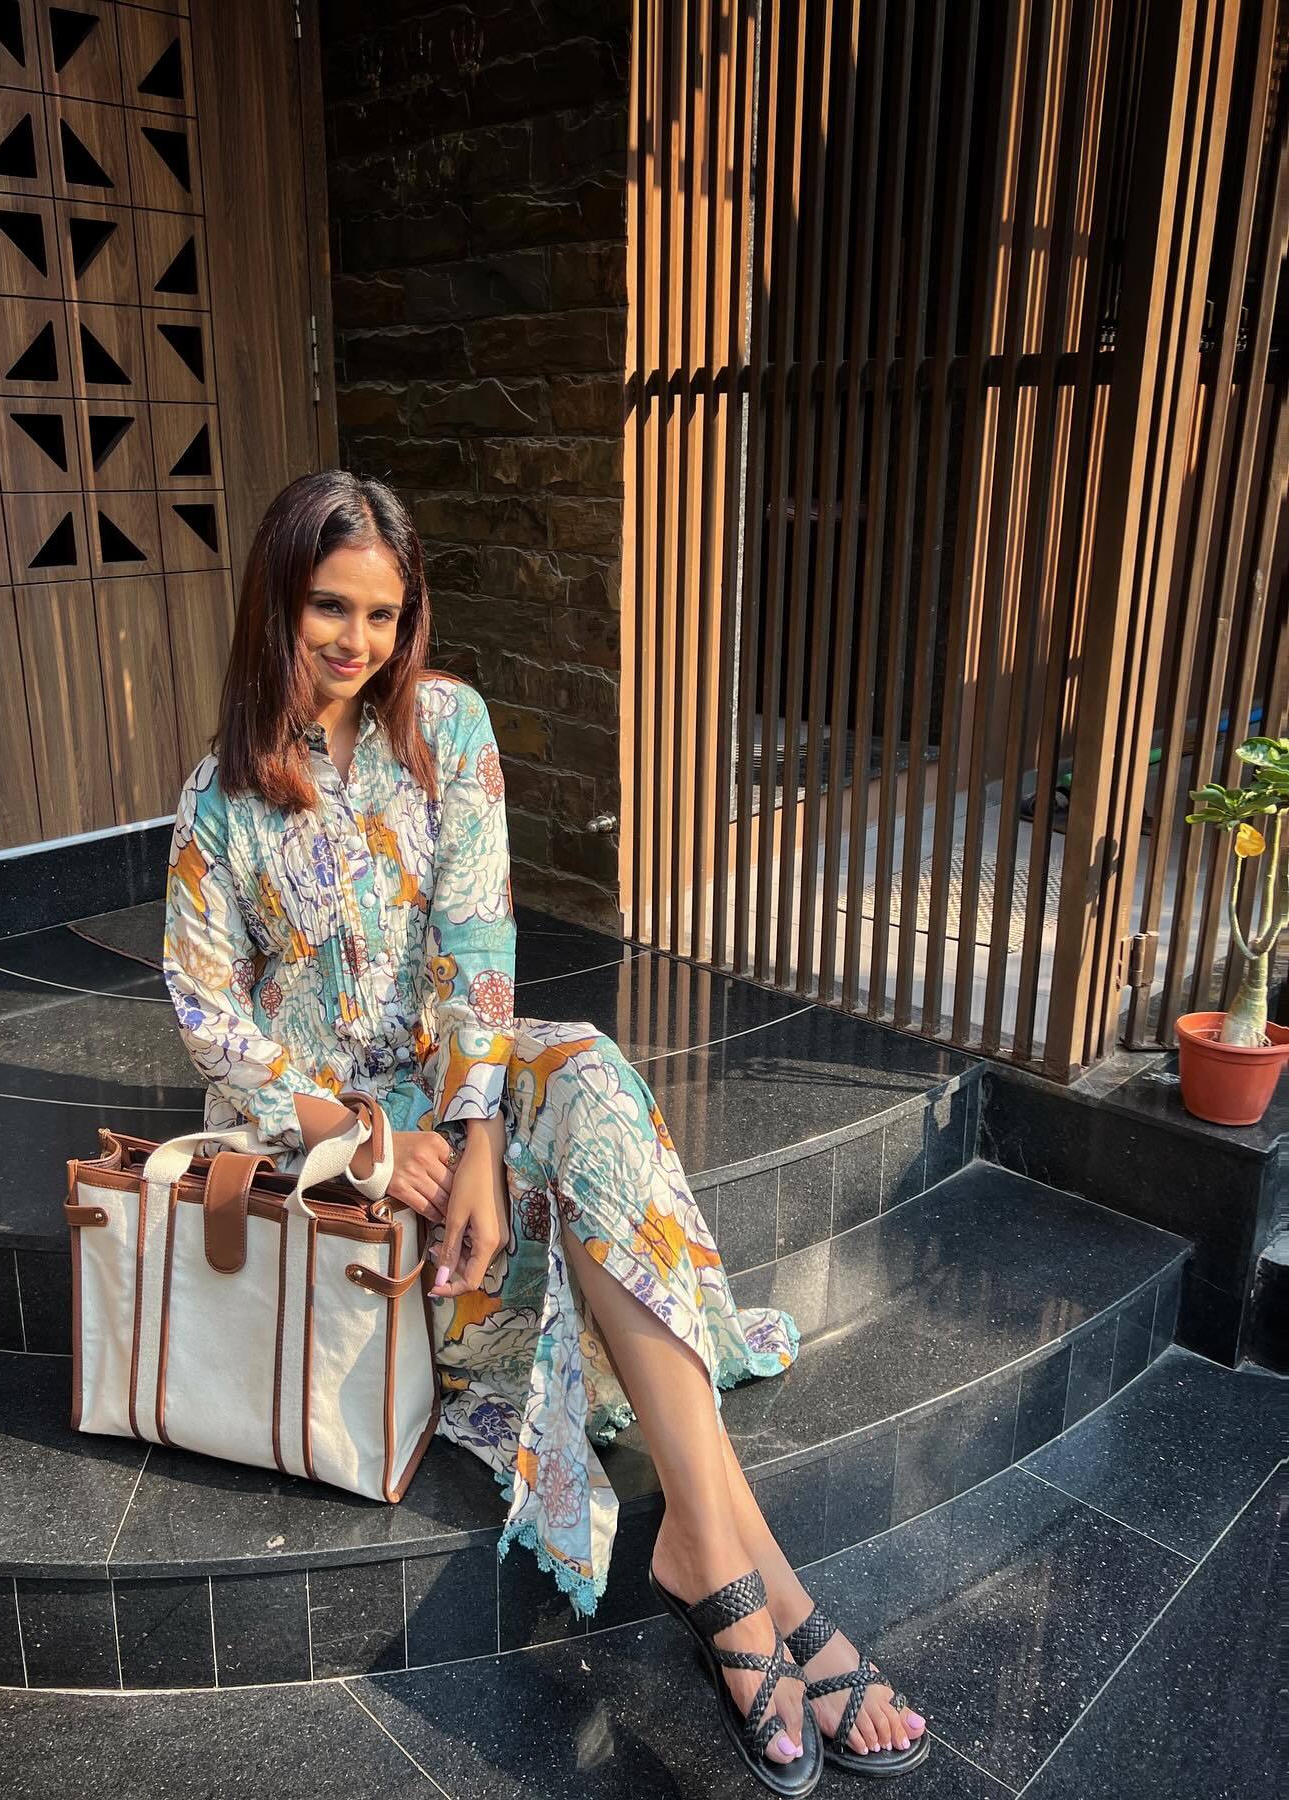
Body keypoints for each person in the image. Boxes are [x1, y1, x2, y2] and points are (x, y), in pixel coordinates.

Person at [162, 470, 928, 1791]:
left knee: (585, 1069)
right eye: (330, 607)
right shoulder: (219, 800)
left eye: (383, 615)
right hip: (327, 1132)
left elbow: (479, 941)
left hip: (458, 1078)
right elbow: (206, 1015)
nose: (357, 641)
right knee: (578, 1174)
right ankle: (762, 1586)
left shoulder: (444, 727)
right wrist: (363, 1138)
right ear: (276, 602)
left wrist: (470, 1133)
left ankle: (706, 1556)